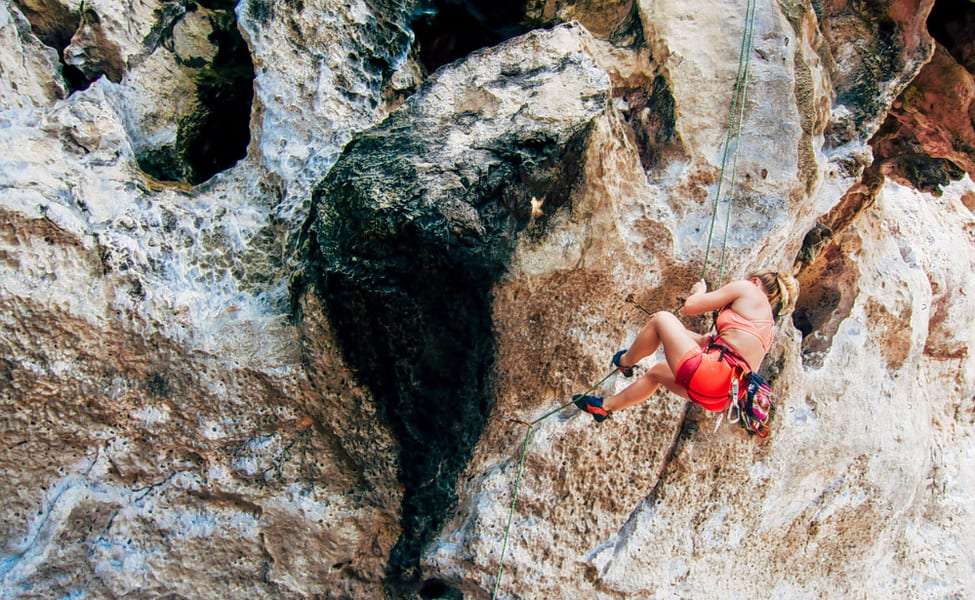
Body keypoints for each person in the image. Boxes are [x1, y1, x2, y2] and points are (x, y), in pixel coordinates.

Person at [573, 271, 799, 421]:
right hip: (721, 397)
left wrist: (699, 292)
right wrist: (667, 332)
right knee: (657, 373)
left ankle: (625, 362)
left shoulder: (749, 289)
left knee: (662, 318)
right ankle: (605, 406)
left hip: (710, 374)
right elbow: (706, 344)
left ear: (755, 281)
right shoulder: (767, 328)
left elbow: (690, 307)